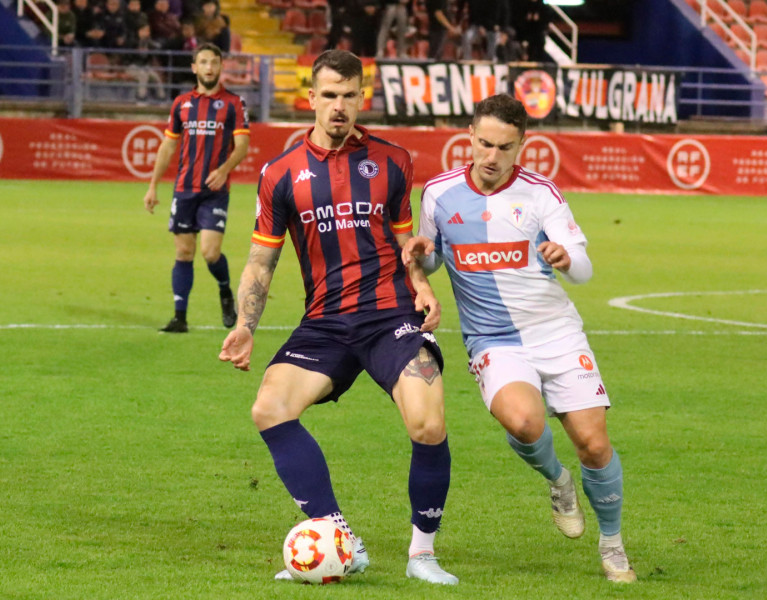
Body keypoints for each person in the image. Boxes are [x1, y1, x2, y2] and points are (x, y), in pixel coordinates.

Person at [218, 49, 458, 586]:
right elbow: (263, 257)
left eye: (350, 96)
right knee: (270, 407)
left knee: (428, 420)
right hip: (325, 321)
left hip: (389, 316)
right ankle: (339, 539)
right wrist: (245, 324)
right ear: (312, 99)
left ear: (362, 98)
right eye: (329, 95)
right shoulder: (280, 173)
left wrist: (420, 283)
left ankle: (423, 554)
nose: (339, 106)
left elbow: (403, 240)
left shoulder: (392, 161)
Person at [402, 94, 637, 584]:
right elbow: (433, 260)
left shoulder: (540, 193)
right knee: (526, 423)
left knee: (593, 444)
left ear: (522, 144)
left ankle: (612, 543)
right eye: (484, 144)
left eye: (504, 147)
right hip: (493, 339)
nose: (492, 157)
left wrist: (565, 258)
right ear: (469, 136)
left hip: (555, 332)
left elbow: (585, 269)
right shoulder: (440, 194)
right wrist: (423, 254)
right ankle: (558, 480)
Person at [143, 43, 250, 333]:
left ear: (220, 66)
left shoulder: (233, 104)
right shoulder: (181, 104)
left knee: (210, 252)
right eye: (203, 62)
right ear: (194, 67)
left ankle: (225, 291)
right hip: (184, 189)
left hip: (215, 189)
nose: (209, 67)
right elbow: (168, 146)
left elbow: (242, 146)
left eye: (214, 62)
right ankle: (180, 317)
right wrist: (153, 186)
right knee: (183, 253)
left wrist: (223, 170)